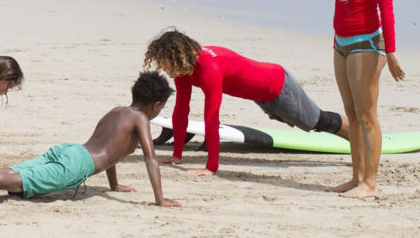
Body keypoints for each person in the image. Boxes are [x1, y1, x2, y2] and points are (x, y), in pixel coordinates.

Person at [0, 71, 180, 207]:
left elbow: (110, 151)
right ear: (156, 105)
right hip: (78, 164)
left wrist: (114, 186)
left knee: (14, 172)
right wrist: (159, 199)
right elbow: (150, 158)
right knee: (19, 181)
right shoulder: (141, 119)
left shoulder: (116, 112)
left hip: (71, 150)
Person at [144, 29, 349, 177]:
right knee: (312, 124)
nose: (162, 68)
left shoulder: (209, 71)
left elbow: (212, 119)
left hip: (278, 86)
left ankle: (359, 137)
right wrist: (177, 155)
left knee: (317, 122)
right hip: (260, 95)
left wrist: (210, 167)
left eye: (164, 62)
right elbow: (181, 110)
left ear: (177, 57)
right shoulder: (184, 72)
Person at [326, 0, 405, 199]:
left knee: (367, 114)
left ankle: (370, 184)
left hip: (366, 44)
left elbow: (387, 7)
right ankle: (356, 177)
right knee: (351, 113)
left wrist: (392, 51)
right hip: (341, 43)